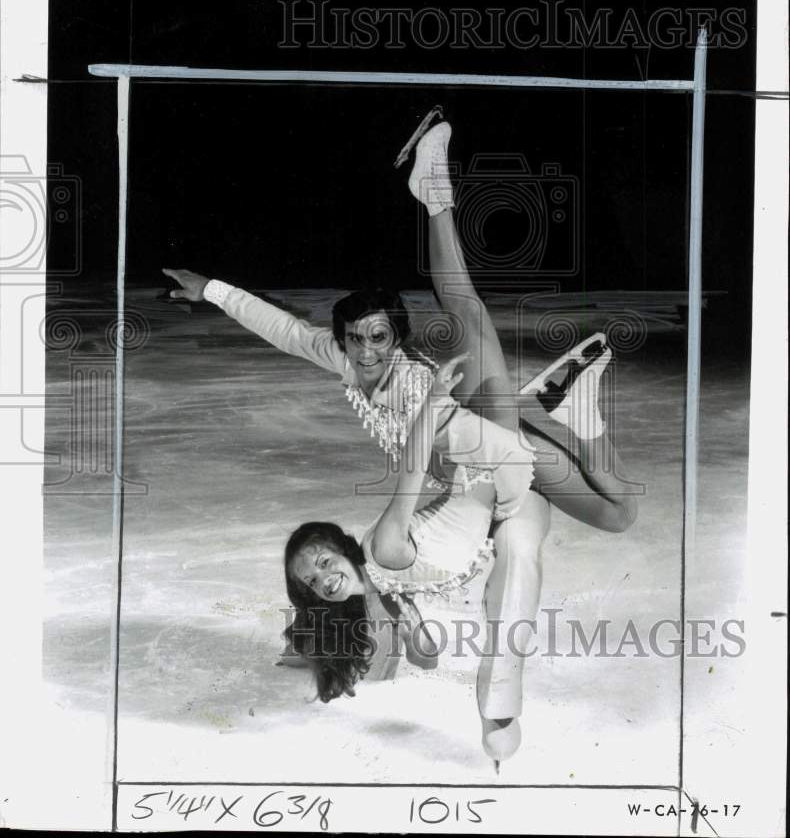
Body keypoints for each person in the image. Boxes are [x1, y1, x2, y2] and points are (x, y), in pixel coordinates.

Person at [164, 119, 638, 766]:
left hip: (490, 451)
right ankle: (575, 415)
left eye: (378, 339)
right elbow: (280, 327)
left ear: (396, 339)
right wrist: (213, 290)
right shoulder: (342, 360)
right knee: (616, 514)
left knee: (472, 324)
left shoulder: (418, 390)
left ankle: (438, 195)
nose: (364, 352)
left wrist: (497, 467)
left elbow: (483, 461)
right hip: (478, 461)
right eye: (354, 340)